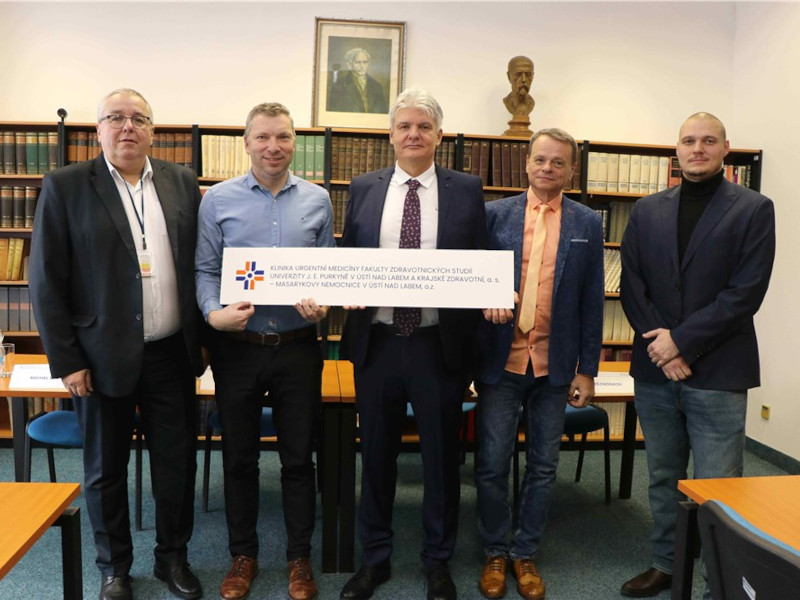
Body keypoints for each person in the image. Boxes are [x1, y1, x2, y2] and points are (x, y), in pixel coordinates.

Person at [29, 88, 204, 600]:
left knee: (176, 464)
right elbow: (46, 281)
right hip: (100, 356)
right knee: (106, 469)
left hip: (171, 352)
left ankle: (173, 559)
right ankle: (114, 568)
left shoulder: (181, 180)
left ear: (153, 130)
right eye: (116, 118)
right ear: (98, 129)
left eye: (139, 119)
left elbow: (197, 262)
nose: (128, 127)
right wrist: (67, 360)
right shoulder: (65, 185)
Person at [338, 87, 488, 600]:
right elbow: (349, 255)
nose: (413, 134)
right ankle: (374, 560)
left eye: (424, 126)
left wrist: (492, 296)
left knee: (440, 459)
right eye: (404, 126)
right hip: (377, 342)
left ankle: (437, 562)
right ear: (391, 135)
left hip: (437, 344)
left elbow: (480, 258)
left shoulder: (467, 189)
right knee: (376, 454)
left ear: (439, 135)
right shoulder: (364, 187)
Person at [619, 112, 776, 598]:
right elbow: (633, 284)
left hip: (718, 370)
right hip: (655, 371)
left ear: (726, 149)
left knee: (718, 485)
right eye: (689, 140)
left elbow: (745, 292)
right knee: (663, 475)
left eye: (709, 140)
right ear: (677, 149)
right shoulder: (648, 209)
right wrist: (664, 350)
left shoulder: (753, 208)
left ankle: (717, 583)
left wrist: (681, 342)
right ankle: (666, 563)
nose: (698, 148)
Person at [195, 101, 334, 600]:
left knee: (299, 458)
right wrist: (213, 314)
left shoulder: (318, 200)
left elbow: (327, 270)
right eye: (263, 137)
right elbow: (205, 269)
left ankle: (299, 558)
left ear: (295, 142)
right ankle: (243, 555)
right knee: (239, 458)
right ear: (247, 143)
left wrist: (323, 305)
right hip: (238, 349)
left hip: (298, 347)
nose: (273, 147)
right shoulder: (217, 200)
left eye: (283, 137)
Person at [474, 128, 604, 600]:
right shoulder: (493, 215)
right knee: (492, 464)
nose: (548, 168)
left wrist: (587, 369)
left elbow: (592, 300)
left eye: (558, 162)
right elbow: (472, 280)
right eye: (540, 160)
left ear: (572, 170)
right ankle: (495, 549)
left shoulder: (588, 222)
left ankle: (524, 552)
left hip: (555, 366)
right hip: (501, 363)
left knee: (544, 466)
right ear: (527, 163)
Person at [328, 47, 389, 114]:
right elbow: (333, 115)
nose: (362, 66)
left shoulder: (377, 86)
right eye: (358, 62)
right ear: (349, 65)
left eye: (365, 62)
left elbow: (384, 113)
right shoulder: (338, 86)